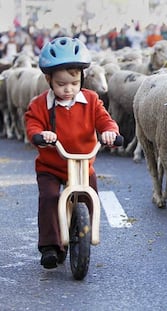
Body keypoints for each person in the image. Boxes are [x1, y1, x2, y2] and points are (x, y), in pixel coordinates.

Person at [24, 37, 119, 269]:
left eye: (74, 83)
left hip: (81, 164)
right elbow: (32, 124)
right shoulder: (40, 104)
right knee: (49, 197)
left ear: (82, 79)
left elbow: (106, 121)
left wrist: (109, 133)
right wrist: (40, 135)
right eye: (61, 84)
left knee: (90, 195)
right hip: (52, 165)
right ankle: (50, 246)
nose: (68, 89)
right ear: (49, 80)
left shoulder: (91, 100)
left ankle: (82, 229)